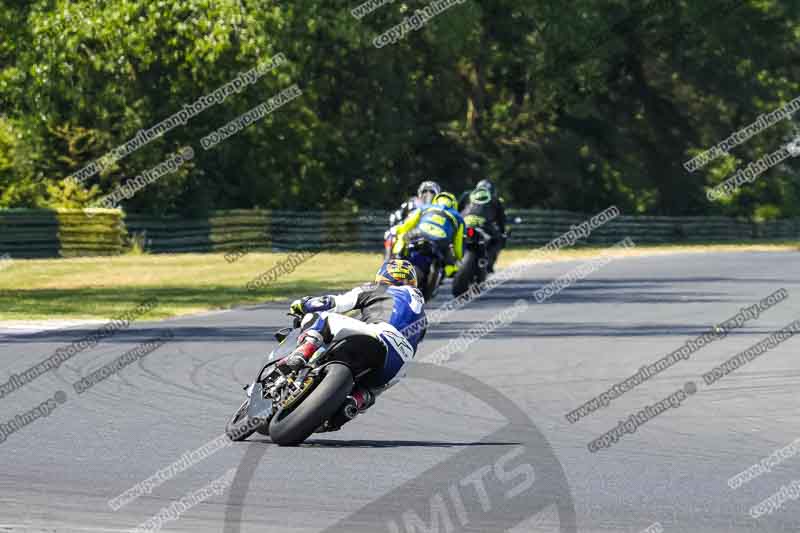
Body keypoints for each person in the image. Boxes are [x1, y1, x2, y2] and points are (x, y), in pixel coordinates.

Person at [277, 258, 427, 432]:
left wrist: (303, 304)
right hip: (399, 363)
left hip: (378, 334)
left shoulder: (378, 288)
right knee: (371, 390)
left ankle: (302, 353)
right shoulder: (423, 315)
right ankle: (355, 402)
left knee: (322, 318)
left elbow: (333, 303)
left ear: (382, 275)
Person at [391, 192, 465, 278]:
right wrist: (458, 257)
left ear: (435, 200)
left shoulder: (425, 207)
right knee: (449, 257)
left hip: (419, 233)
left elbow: (408, 224)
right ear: (454, 204)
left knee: (403, 237)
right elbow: (459, 242)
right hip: (441, 240)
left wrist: (398, 230)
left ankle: (398, 256)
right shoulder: (458, 217)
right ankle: (450, 270)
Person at [458, 179, 507, 272]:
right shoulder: (495, 199)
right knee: (498, 239)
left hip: (464, 224)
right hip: (484, 225)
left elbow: (457, 209)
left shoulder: (467, 195)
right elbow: (501, 220)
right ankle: (489, 264)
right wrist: (503, 232)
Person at [384, 181, 442, 259]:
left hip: (434, 235)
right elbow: (395, 216)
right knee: (390, 234)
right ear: (420, 192)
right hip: (410, 233)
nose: (428, 194)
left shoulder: (441, 207)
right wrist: (398, 226)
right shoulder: (412, 203)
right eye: (425, 191)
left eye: (432, 191)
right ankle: (388, 263)